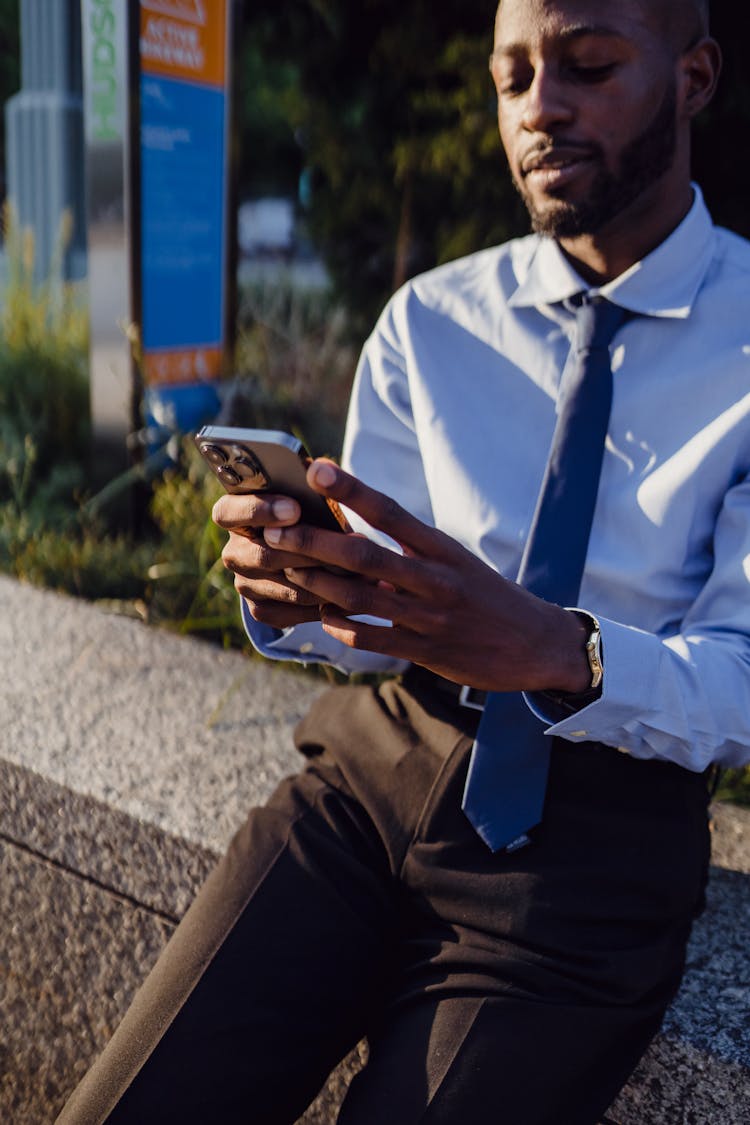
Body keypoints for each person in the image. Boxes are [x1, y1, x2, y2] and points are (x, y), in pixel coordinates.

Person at [60, 1, 749, 1122]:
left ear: (696, 76)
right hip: (364, 787)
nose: (540, 110)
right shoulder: (432, 321)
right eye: (512, 76)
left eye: (587, 66)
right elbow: (371, 613)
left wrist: (558, 651)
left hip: (587, 860)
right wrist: (297, 588)